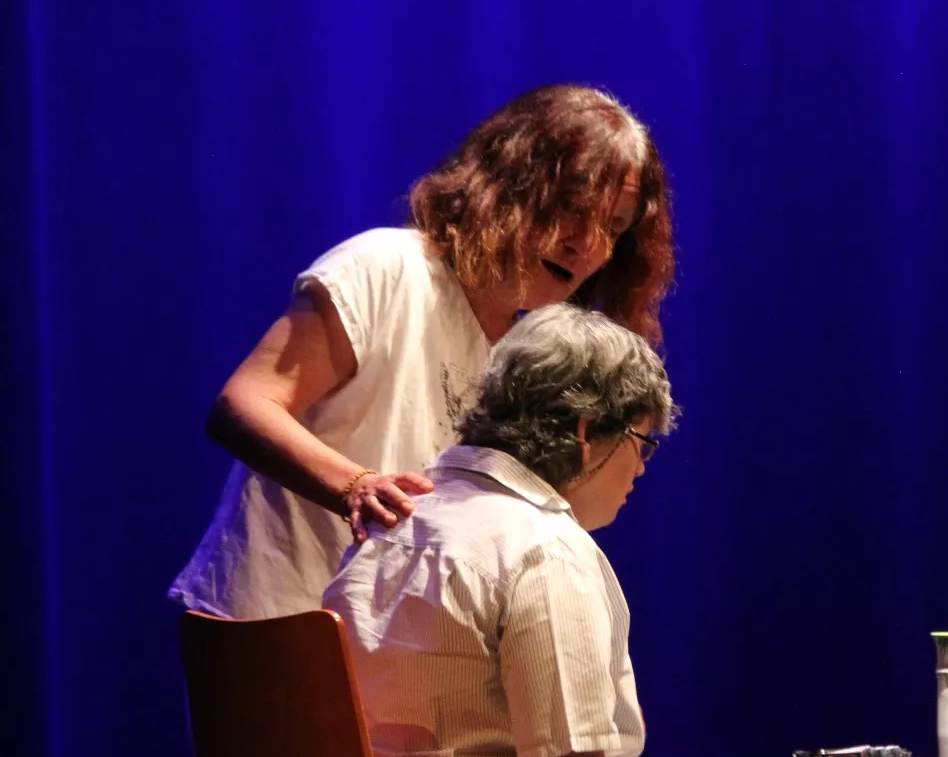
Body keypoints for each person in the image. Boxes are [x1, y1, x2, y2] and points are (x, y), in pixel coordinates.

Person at [323, 304, 774, 757]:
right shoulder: (541, 548)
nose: (643, 468)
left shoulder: (393, 527)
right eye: (642, 442)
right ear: (588, 432)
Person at [171, 84, 673, 620]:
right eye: (573, 207)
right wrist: (355, 486)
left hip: (385, 648)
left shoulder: (526, 357)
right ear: (512, 181)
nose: (587, 245)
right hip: (275, 623)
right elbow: (244, 404)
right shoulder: (389, 268)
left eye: (613, 228)